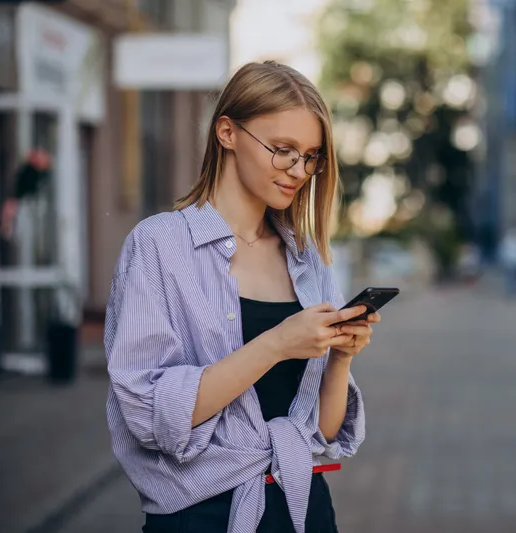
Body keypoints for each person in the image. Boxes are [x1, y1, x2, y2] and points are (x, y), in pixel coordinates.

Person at [104, 61, 378, 533]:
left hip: (304, 508)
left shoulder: (307, 257)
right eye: (283, 150)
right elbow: (150, 416)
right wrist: (277, 344)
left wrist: (341, 358)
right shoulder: (160, 245)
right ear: (227, 132)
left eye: (311, 156)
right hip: (200, 516)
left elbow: (324, 433)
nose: (299, 171)